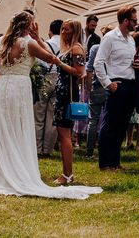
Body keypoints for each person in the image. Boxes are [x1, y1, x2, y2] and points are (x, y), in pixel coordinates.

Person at [0, 11, 102, 199]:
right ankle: (18, 172)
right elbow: (51, 59)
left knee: (2, 129)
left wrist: (4, 80)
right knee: (19, 130)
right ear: (28, 26)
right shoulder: (28, 44)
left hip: (3, 88)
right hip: (20, 88)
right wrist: (40, 42)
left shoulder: (0, 41)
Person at [94, 5, 139, 171]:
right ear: (126, 20)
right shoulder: (109, 38)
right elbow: (98, 62)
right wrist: (108, 83)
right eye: (134, 20)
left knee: (122, 125)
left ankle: (115, 161)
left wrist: (137, 65)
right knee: (109, 125)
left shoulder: (131, 39)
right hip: (117, 85)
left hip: (130, 84)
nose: (137, 23)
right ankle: (105, 162)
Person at [53, 19, 87, 185]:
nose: (63, 32)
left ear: (74, 32)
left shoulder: (76, 48)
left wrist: (59, 63)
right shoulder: (66, 47)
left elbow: (79, 72)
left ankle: (67, 174)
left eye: (67, 30)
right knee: (62, 133)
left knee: (65, 134)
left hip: (68, 93)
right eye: (62, 29)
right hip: (62, 92)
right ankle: (66, 172)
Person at [34, 19, 62, 157]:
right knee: (52, 117)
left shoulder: (45, 44)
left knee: (39, 115)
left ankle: (37, 149)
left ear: (50, 31)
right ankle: (48, 150)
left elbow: (40, 62)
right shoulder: (65, 45)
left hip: (46, 78)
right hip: (59, 79)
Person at [85, 24, 113, 158]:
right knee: (108, 120)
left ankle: (89, 151)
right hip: (110, 86)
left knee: (93, 120)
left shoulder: (95, 48)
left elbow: (89, 69)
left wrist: (88, 87)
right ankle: (106, 150)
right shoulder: (114, 49)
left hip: (97, 86)